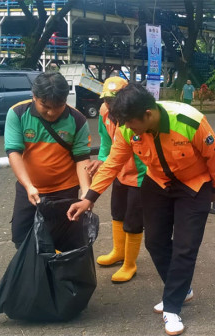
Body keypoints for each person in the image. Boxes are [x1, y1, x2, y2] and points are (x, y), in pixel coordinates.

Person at [67, 84, 215, 336]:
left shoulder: (189, 121)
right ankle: (181, 290)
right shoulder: (127, 129)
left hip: (194, 185)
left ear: (148, 114)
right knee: (155, 242)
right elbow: (112, 164)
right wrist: (89, 198)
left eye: (131, 124)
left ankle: (172, 307)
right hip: (157, 182)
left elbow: (214, 157)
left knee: (185, 246)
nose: (128, 130)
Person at [4, 72, 92, 249]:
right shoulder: (18, 113)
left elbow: (82, 158)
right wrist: (28, 186)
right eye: (45, 105)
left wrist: (85, 190)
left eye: (58, 106)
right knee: (22, 237)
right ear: (34, 96)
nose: (51, 112)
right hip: (30, 190)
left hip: (64, 191)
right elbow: (13, 151)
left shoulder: (78, 119)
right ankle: (35, 275)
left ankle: (60, 275)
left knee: (65, 239)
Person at [86, 76, 147, 283]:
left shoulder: (134, 116)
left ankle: (130, 264)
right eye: (107, 101)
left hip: (140, 176)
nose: (110, 106)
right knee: (117, 213)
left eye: (114, 101)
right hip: (118, 171)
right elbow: (106, 142)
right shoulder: (104, 113)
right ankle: (118, 252)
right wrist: (102, 160)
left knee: (133, 219)